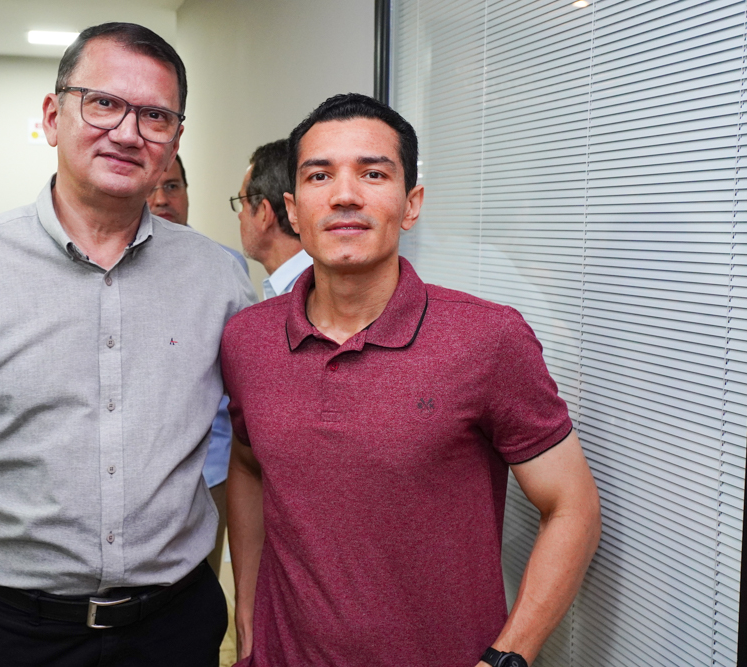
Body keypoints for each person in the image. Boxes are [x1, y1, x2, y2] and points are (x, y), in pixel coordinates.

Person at [0, 23, 255, 667]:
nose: (128, 132)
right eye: (103, 103)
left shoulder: (221, 280)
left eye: (155, 116)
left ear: (175, 140)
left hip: (174, 629)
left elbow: (257, 450)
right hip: (6, 633)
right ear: (52, 116)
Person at [222, 94, 602, 667]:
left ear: (411, 203)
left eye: (373, 173)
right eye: (320, 175)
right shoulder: (247, 339)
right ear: (293, 211)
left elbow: (573, 508)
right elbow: (249, 465)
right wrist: (248, 612)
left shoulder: (488, 338)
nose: (345, 194)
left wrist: (508, 658)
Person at [146, 154, 247, 575]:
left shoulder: (225, 266)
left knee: (199, 591)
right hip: (139, 478)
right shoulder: (110, 272)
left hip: (210, 470)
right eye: (151, 188)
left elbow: (242, 377)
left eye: (172, 186)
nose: (161, 199)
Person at [232, 139, 312, 299]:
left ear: (264, 212)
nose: (240, 215)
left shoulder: (311, 295)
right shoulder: (286, 288)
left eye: (242, 202)